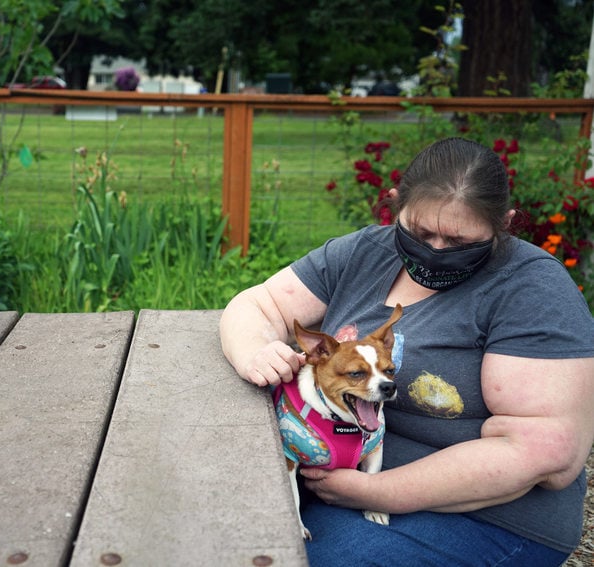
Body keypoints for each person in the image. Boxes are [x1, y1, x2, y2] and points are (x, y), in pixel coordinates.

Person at [220, 137, 594, 565]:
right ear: (395, 206)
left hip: (480, 519)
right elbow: (259, 304)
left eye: (459, 241)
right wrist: (255, 351)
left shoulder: (531, 289)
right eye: (420, 233)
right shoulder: (367, 252)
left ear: (504, 224)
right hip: (333, 476)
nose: (435, 250)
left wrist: (376, 491)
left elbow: (546, 452)